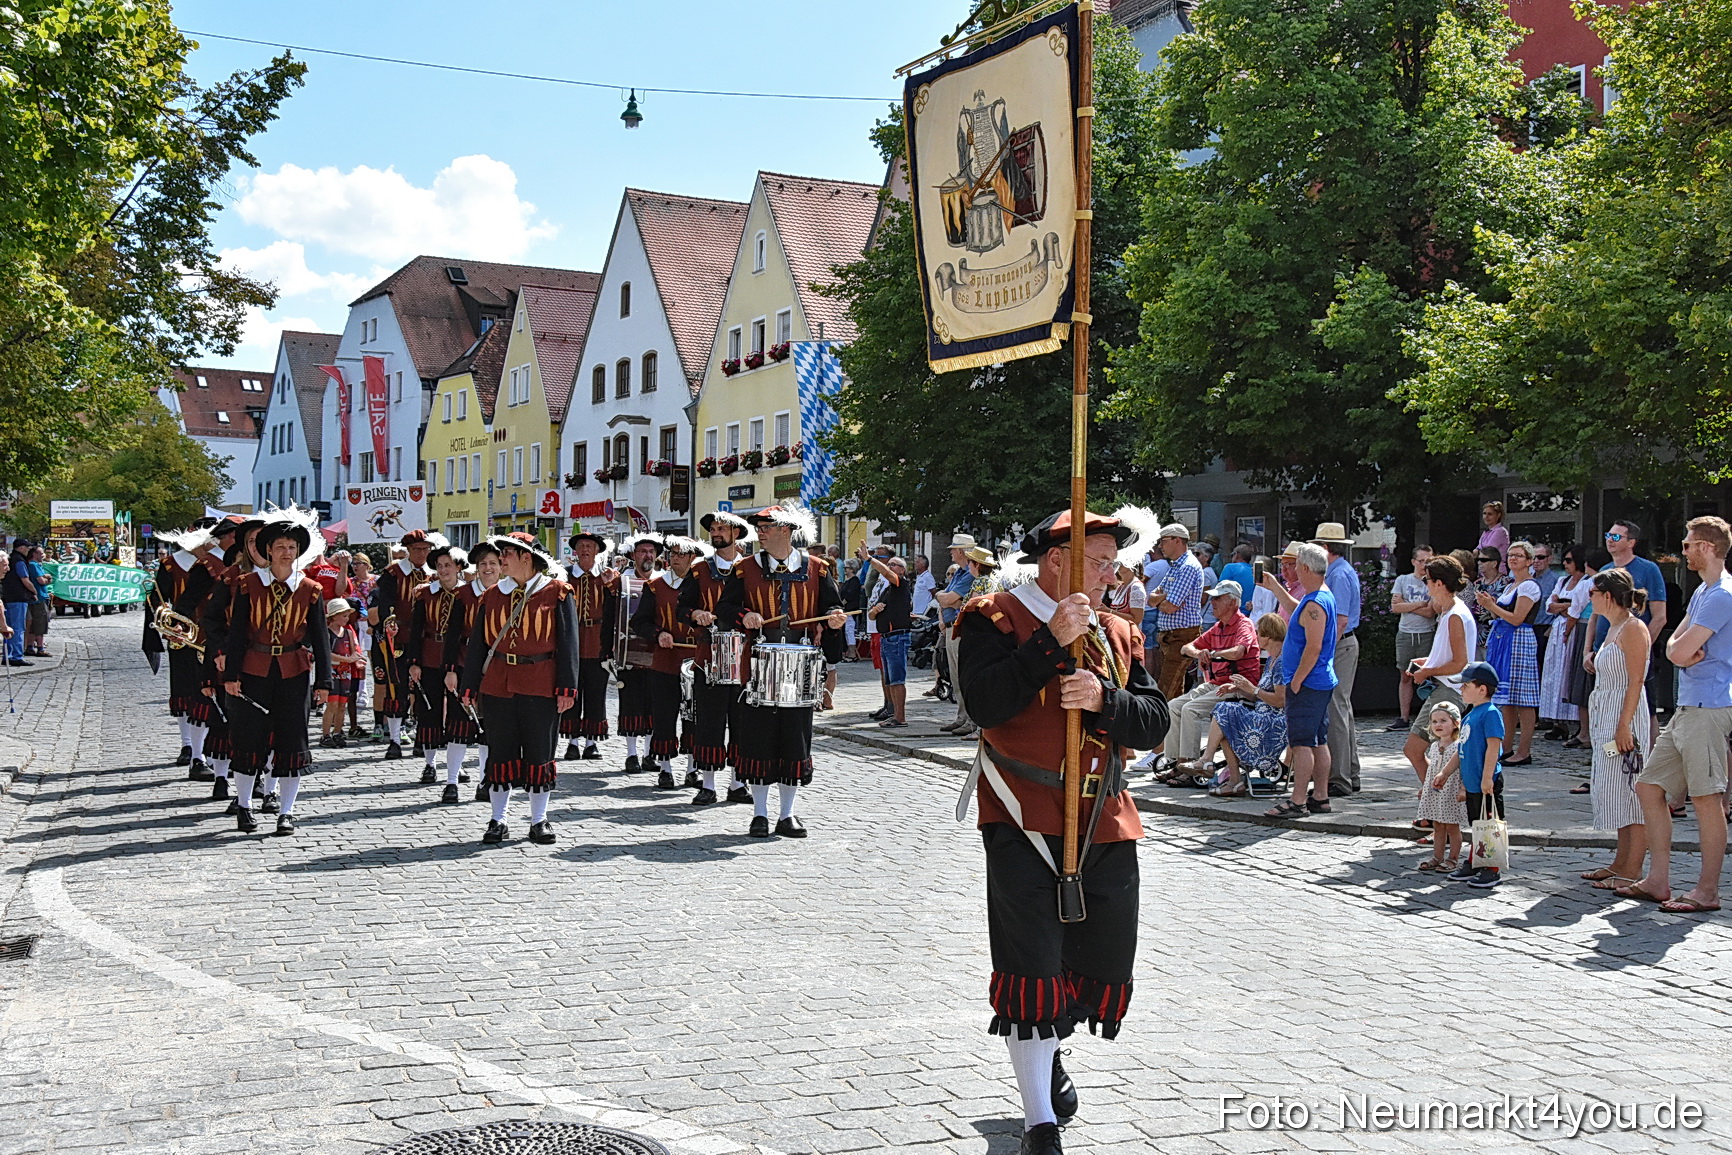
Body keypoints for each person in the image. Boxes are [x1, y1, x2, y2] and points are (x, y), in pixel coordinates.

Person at [956, 509, 1169, 1155]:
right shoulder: (991, 617)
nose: (1113, 574)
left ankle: (1046, 1047)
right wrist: (1048, 643)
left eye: (1112, 562)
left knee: (1099, 964)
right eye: (1100, 561)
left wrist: (1106, 699)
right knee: (1031, 967)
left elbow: (1155, 721)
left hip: (1104, 818)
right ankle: (1039, 1122)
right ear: (1057, 561)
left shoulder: (1118, 631)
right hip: (1023, 816)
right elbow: (984, 702)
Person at [1617, 517, 1732, 913]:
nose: (1682, 551)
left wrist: (1679, 652)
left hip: (1710, 706)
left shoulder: (1721, 596)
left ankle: (1707, 891)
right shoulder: (1704, 591)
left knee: (1706, 799)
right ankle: (1659, 880)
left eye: (1687, 545)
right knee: (1649, 787)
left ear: (1707, 547)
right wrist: (1678, 652)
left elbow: (1679, 650)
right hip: (1689, 705)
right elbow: (1671, 648)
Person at [715, 504, 846, 838]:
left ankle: (787, 815)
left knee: (795, 740)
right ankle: (759, 813)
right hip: (758, 663)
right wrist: (744, 615)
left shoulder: (817, 568)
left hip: (800, 666)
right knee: (757, 739)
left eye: (767, 527)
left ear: (786, 530)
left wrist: (833, 618)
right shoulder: (745, 569)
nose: (760, 531)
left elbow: (832, 605)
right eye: (758, 527)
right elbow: (724, 608)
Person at [459, 532, 580, 846]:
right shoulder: (491, 596)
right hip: (498, 683)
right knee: (500, 755)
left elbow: (569, 644)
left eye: (507, 554)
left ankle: (539, 821)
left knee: (540, 754)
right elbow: (478, 646)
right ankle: (498, 820)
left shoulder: (557, 592)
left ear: (526, 557)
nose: (501, 560)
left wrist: (567, 687)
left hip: (541, 683)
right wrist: (469, 684)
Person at [222, 510, 332, 836]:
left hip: (293, 672)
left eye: (292, 546)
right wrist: (230, 675)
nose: (286, 552)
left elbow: (321, 638)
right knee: (248, 739)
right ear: (267, 550)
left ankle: (287, 812)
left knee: (291, 741)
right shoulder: (247, 585)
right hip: (253, 670)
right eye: (280, 545)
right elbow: (236, 634)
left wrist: (324, 682)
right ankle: (244, 806)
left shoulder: (310, 589)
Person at [1580, 567, 1651, 891]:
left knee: (1631, 790)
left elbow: (1636, 680)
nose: (1588, 598)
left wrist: (1624, 726)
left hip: (1625, 720)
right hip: (1607, 717)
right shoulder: (1613, 627)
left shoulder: (1633, 628)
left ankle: (1633, 868)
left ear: (1607, 596)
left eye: (1593, 593)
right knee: (1615, 789)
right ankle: (1620, 861)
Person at [679, 511, 755, 805]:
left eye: (722, 528)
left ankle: (738, 783)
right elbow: (681, 607)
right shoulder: (699, 570)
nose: (716, 533)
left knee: (742, 721)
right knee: (709, 721)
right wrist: (695, 614)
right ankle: (708, 783)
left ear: (736, 533)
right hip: (708, 652)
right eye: (712, 529)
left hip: (744, 655)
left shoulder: (751, 569)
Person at [1154, 580, 1257, 780]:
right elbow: (1186, 648)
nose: (1212, 602)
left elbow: (1238, 652)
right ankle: (1177, 762)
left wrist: (1213, 653)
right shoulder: (1218, 627)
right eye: (1213, 597)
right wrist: (1200, 652)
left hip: (1238, 686)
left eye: (1218, 598)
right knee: (1173, 706)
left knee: (1190, 709)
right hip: (1216, 683)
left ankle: (1190, 765)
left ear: (1233, 603)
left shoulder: (1244, 624)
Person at [1264, 543, 1336, 819]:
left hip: (1309, 684)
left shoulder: (1316, 601)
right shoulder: (1317, 596)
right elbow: (1300, 613)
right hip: (1318, 682)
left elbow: (1314, 646)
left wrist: (1296, 681)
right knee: (1318, 741)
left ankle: (1298, 801)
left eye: (1296, 565)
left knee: (1302, 743)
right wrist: (1276, 589)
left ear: (1305, 568)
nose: (1292, 570)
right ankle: (1320, 796)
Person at [631, 535, 707, 790]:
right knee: (664, 715)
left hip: (695, 660)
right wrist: (658, 633)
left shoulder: (702, 586)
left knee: (694, 716)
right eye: (672, 554)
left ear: (692, 558)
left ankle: (692, 768)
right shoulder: (655, 586)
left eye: (681, 554)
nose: (675, 558)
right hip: (664, 661)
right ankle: (665, 768)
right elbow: (639, 621)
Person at [405, 541, 473, 795]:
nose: (443, 570)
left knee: (458, 712)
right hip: (431, 656)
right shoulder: (425, 594)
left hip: (460, 656)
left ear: (458, 567)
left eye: (448, 565)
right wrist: (413, 663)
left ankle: (457, 767)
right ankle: (430, 763)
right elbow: (416, 631)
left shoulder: (467, 594)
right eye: (440, 565)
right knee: (430, 711)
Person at [1404, 554, 1477, 787]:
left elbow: (1460, 663)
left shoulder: (1455, 614)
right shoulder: (1450, 611)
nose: (1425, 583)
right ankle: (1435, 801)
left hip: (1449, 691)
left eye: (1427, 579)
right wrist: (1426, 663)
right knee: (1437, 753)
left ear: (1439, 583)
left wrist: (1426, 672)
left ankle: (1434, 801)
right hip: (1448, 689)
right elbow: (1449, 656)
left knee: (1415, 750)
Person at [1196, 613, 1288, 796]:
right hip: (1261, 714)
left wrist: (1252, 689)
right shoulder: (1271, 660)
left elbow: (1280, 700)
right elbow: (1258, 697)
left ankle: (1212, 763)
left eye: (1259, 633)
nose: (1256, 637)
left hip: (1273, 721)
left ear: (1269, 636)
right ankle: (1231, 778)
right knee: (1224, 716)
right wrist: (1237, 689)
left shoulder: (1282, 663)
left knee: (1224, 713)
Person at [371, 529, 437, 762]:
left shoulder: (434, 573)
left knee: (423, 688)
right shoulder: (393, 572)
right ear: (408, 550)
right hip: (400, 636)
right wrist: (389, 620)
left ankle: (422, 738)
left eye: (426, 549)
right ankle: (395, 740)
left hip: (426, 638)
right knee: (396, 686)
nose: (422, 553)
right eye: (417, 549)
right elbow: (385, 602)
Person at [1478, 540, 1543, 765]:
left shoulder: (1529, 586)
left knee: (1523, 698)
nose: (1513, 559)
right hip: (1504, 639)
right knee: (1507, 699)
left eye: (1519, 555)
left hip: (1519, 641)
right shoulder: (1510, 586)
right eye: (1511, 555)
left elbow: (1517, 619)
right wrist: (1492, 606)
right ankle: (1506, 747)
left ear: (1529, 561)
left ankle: (1524, 750)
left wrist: (1492, 607)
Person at [1311, 523, 1362, 795]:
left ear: (1325, 548)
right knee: (1342, 709)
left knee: (1336, 710)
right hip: (1342, 644)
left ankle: (1339, 777)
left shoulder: (1339, 575)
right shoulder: (1339, 571)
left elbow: (1340, 619)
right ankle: (1349, 773)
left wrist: (1323, 650)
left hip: (1339, 645)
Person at [560, 531, 621, 761]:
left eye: (590, 546)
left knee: (596, 692)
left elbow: (617, 609)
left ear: (597, 551)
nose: (585, 549)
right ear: (575, 552)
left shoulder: (607, 577)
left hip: (598, 640)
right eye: (581, 546)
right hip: (572, 642)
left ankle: (591, 741)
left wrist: (612, 587)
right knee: (572, 691)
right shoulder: (565, 577)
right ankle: (572, 741)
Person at [1448, 662, 1507, 888]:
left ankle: (1491, 868)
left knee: (1489, 825)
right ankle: (1475, 860)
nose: (1461, 690)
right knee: (1476, 824)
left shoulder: (1491, 714)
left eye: (1465, 685)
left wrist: (1487, 777)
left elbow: (1493, 746)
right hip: (1473, 783)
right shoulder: (1471, 714)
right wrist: (1445, 773)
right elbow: (1461, 748)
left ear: (1482, 689)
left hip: (1486, 783)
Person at [1595, 519, 1668, 700]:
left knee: (1643, 708)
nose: (1610, 540)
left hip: (1632, 652)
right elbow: (1594, 616)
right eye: (1608, 535)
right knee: (1605, 705)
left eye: (1616, 536)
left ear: (1631, 542)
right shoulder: (1604, 570)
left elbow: (1660, 617)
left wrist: (1640, 649)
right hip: (1603, 652)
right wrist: (1588, 651)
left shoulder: (1648, 569)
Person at [453, 540, 500, 801]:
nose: (488, 568)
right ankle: (451, 780)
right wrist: (451, 669)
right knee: (461, 727)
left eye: (493, 563)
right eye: (483, 564)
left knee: (488, 728)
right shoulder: (464, 594)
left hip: (497, 668)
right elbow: (453, 636)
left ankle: (485, 779)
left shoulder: (509, 592)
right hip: (466, 664)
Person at [615, 534, 664, 772]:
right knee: (631, 703)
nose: (648, 556)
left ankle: (649, 754)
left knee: (653, 704)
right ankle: (631, 754)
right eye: (643, 551)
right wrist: (609, 651)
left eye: (651, 552)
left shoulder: (663, 581)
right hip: (629, 653)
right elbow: (611, 620)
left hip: (656, 653)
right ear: (633, 555)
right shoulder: (621, 583)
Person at [941, 545, 1001, 739]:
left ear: (976, 565)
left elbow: (968, 605)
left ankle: (974, 724)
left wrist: (955, 602)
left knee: (970, 677)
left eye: (971, 562)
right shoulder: (993, 581)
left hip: (976, 634)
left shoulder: (978, 583)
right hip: (991, 635)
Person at [1147, 523, 1205, 708]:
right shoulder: (1175, 567)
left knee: (1167, 688)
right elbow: (1151, 599)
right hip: (1171, 635)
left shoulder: (1187, 567)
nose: (1160, 547)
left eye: (1163, 542)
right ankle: (1171, 732)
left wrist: (1161, 599)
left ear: (1177, 540)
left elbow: (1170, 606)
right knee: (1172, 687)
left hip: (1182, 634)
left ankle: (1163, 733)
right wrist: (1162, 599)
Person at [1539, 546, 1587, 743]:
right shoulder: (1562, 581)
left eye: (1569, 560)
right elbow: (1549, 605)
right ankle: (1558, 721)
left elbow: (1579, 607)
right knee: (1554, 672)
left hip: (1573, 629)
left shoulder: (1586, 581)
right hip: (1558, 626)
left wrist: (1565, 607)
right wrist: (1563, 607)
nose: (1566, 565)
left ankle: (1576, 721)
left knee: (1568, 672)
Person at [1414, 701, 1467, 873]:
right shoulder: (1435, 747)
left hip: (1451, 792)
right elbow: (1432, 769)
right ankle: (1437, 856)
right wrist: (1426, 787)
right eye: (1434, 721)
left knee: (1451, 826)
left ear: (1455, 723)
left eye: (1443, 721)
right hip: (1436, 792)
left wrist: (1463, 788)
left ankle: (1453, 858)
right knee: (1437, 825)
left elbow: (1464, 770)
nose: (1438, 725)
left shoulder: (1458, 746)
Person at [1389, 546, 1437, 731]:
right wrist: (1418, 604)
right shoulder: (1403, 580)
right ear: (1413, 562)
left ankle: (1431, 718)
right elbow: (1395, 608)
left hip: (1426, 633)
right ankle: (1403, 717)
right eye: (1421, 561)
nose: (1425, 565)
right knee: (1405, 675)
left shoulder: (1432, 582)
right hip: (1405, 633)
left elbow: (1430, 612)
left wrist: (1406, 605)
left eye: (1428, 561)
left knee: (1429, 675)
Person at [863, 549, 913, 727]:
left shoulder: (901, 584)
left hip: (897, 637)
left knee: (897, 678)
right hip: (886, 637)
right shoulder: (887, 589)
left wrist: (869, 559)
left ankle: (900, 717)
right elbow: (871, 614)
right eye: (889, 563)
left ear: (902, 570)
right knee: (889, 678)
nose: (889, 566)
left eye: (894, 564)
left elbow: (886, 572)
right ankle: (893, 713)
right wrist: (875, 611)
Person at [322, 598, 364, 748]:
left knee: (342, 704)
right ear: (334, 616)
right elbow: (327, 653)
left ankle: (338, 732)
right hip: (332, 672)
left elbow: (354, 652)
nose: (347, 619)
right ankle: (325, 734)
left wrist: (357, 660)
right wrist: (347, 659)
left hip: (346, 672)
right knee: (332, 704)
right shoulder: (326, 633)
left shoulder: (348, 632)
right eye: (344, 615)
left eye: (347, 615)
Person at [3, 538, 37, 665]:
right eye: (27, 547)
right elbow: (25, 580)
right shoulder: (20, 561)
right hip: (18, 597)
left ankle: (7, 655)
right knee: (18, 628)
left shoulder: (11, 559)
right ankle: (16, 656)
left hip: (8, 597)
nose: (28, 549)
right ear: (21, 547)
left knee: (8, 627)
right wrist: (34, 592)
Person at [25, 545, 51, 657]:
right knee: (40, 624)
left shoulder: (35, 565)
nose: (43, 555)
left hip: (36, 598)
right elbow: (41, 581)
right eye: (41, 553)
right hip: (39, 598)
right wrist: (48, 580)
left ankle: (30, 647)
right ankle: (40, 648)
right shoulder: (33, 565)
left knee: (32, 624)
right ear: (34, 554)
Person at [1219, 544, 1256, 613]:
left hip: (1232, 613)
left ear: (1237, 554)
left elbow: (1220, 590)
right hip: (1250, 612)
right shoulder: (1253, 570)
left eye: (1233, 554)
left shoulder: (1229, 567)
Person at [1478, 501, 1510, 572]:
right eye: (1484, 513)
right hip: (1484, 571)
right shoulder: (1486, 532)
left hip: (1496, 571)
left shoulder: (1500, 531)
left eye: (1490, 514)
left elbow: (1488, 551)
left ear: (1498, 515)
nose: (1486, 517)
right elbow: (1477, 550)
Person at [910, 554, 937, 618]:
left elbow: (933, 592)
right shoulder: (919, 576)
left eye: (917, 562)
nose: (915, 564)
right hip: (916, 611)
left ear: (923, 564)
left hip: (923, 611)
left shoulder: (927, 576)